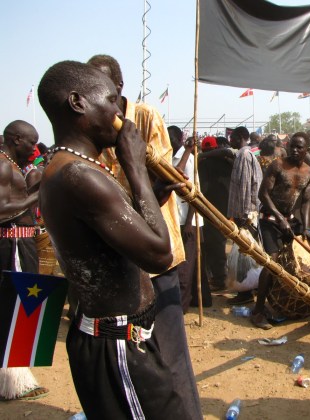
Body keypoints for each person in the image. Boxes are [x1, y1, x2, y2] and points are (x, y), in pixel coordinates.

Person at [37, 60, 201, 419]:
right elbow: (159, 255)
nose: (119, 111)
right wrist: (136, 169)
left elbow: (114, 237)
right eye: (111, 100)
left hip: (116, 340)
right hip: (116, 348)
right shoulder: (81, 175)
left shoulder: (68, 166)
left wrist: (148, 196)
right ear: (78, 103)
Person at [87, 55, 202, 418]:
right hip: (119, 254)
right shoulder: (92, 127)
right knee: (135, 354)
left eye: (102, 90)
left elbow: (162, 183)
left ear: (118, 88)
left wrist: (134, 178)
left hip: (155, 249)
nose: (96, 98)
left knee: (171, 352)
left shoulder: (146, 117)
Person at [0, 120, 48, 402]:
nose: (33, 148)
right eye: (31, 141)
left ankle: (15, 374)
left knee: (21, 307)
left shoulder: (11, 163)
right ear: (16, 139)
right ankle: (13, 378)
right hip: (12, 243)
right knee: (15, 306)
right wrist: (35, 199)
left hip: (21, 241)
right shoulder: (4, 165)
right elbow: (2, 209)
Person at [250, 133, 310, 329]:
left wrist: (304, 227)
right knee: (272, 263)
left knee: (294, 263)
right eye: (292, 146)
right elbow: (263, 194)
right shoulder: (277, 165)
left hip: (289, 221)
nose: (295, 150)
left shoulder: (309, 172)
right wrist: (280, 219)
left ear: (307, 150)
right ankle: (258, 311)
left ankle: (282, 304)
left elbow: (305, 202)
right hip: (270, 220)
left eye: (299, 147)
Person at [169, 128, 212, 311]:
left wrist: (188, 223)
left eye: (170, 137)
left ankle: (181, 305)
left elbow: (194, 195)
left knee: (184, 267)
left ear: (179, 139)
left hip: (188, 220)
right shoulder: (172, 157)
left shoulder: (188, 160)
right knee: (193, 264)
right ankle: (201, 298)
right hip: (178, 218)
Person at [227, 126, 263, 305]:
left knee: (245, 254)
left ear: (240, 137)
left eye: (232, 138)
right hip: (249, 212)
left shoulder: (243, 155)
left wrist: (242, 214)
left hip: (246, 214)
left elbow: (244, 186)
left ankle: (245, 292)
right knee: (249, 253)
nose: (230, 141)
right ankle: (249, 288)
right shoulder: (248, 154)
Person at [198, 136, 234, 292]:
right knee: (222, 243)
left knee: (215, 244)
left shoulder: (203, 163)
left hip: (211, 209)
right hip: (227, 208)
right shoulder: (229, 163)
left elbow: (203, 189)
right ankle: (221, 276)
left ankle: (219, 279)